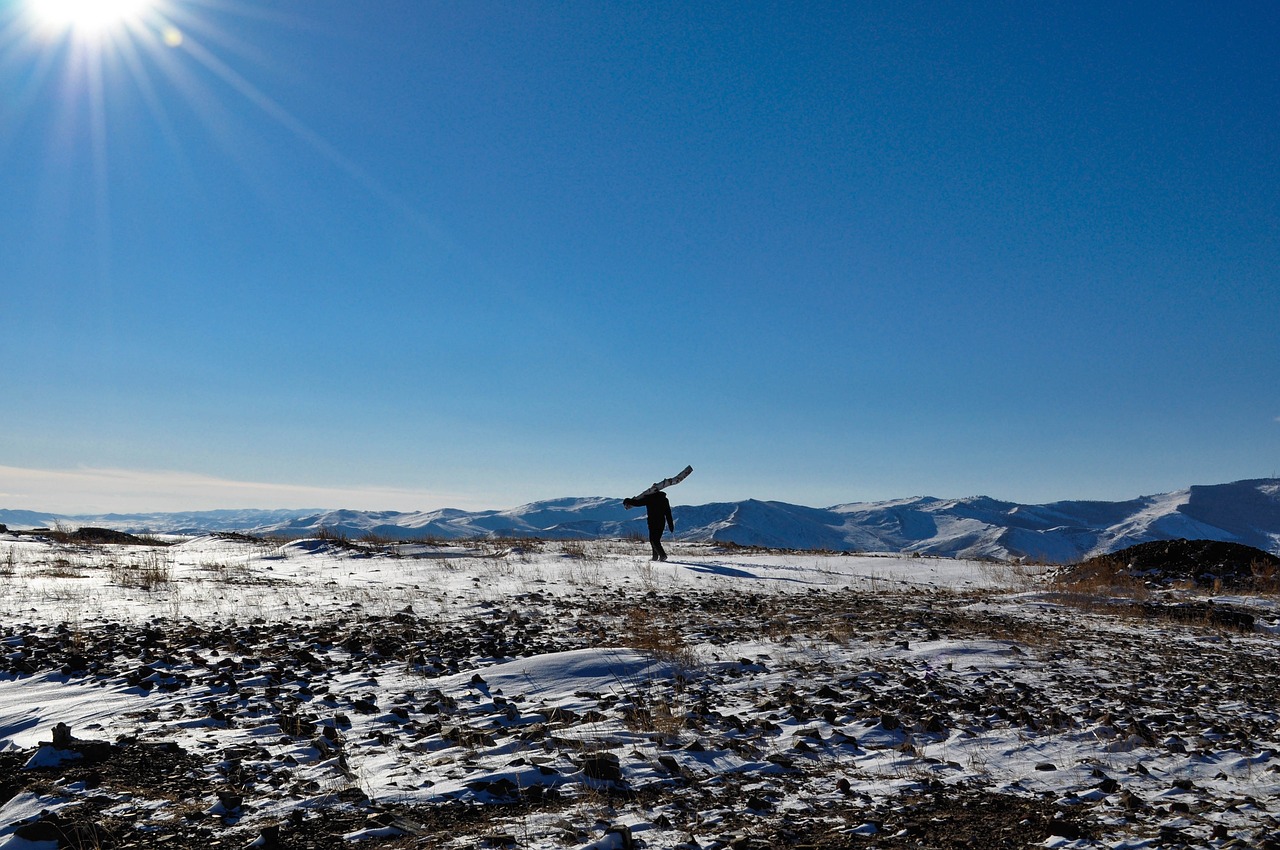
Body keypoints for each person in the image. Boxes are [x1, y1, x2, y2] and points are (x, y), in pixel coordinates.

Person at [624, 490, 674, 561]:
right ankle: (655, 557)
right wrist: (670, 525)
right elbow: (668, 513)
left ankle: (662, 555)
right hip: (661, 522)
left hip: (653, 522)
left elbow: (638, 503)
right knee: (654, 540)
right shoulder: (664, 499)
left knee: (654, 540)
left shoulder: (650, 498)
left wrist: (627, 500)